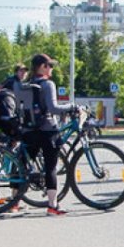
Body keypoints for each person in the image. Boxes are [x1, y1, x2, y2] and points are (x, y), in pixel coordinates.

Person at [27, 53, 77, 216]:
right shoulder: (48, 84)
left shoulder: (28, 84)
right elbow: (54, 108)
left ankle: (13, 201)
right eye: (50, 65)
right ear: (42, 67)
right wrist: (70, 107)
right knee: (51, 167)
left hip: (31, 129)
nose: (52, 69)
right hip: (47, 129)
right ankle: (52, 205)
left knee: (23, 163)